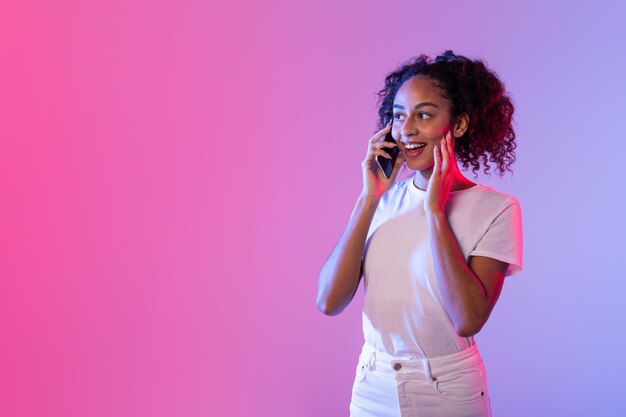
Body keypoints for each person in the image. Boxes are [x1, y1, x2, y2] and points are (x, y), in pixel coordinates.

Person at [316, 50, 523, 417]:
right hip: (372, 386)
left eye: (423, 115)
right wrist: (369, 197)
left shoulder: (497, 209)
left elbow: (468, 318)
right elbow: (329, 302)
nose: (406, 129)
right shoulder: (381, 201)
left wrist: (434, 212)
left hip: (446, 392)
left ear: (457, 125)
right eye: (398, 115)